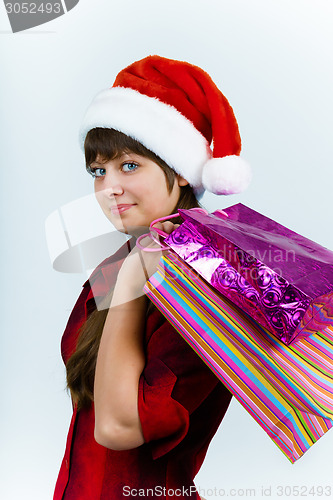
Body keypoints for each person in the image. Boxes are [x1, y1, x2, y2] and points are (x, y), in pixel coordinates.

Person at [53, 55, 251, 500]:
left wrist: (130, 286)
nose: (109, 188)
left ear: (181, 170)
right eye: (98, 171)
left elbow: (119, 427)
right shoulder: (121, 260)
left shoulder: (207, 281)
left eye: (128, 166)